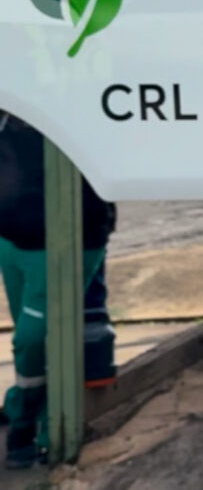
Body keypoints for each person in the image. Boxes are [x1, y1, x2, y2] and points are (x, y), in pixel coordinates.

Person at [0, 112, 115, 469]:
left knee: (32, 338)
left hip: (70, 236)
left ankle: (29, 423)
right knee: (33, 337)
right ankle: (33, 416)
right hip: (11, 235)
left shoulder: (79, 97)